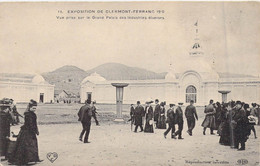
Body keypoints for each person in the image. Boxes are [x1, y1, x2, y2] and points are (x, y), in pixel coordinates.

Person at [8, 100, 42, 165]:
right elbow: (29, 124)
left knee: (33, 144)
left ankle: (33, 158)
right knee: (25, 145)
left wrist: (36, 130)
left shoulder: (33, 114)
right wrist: (34, 130)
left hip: (31, 131)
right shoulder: (27, 114)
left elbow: (34, 124)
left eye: (35, 108)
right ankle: (25, 159)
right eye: (33, 108)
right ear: (29, 107)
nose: (34, 109)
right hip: (27, 131)